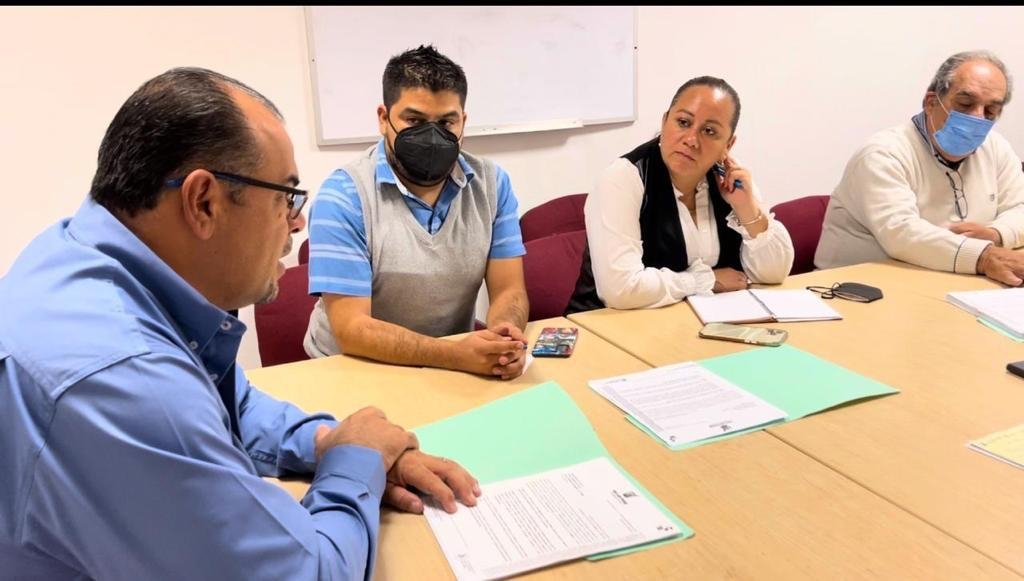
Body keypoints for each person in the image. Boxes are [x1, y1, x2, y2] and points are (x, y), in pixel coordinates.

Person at [0, 67, 481, 580]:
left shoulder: (83, 253)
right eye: (286, 196)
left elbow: (226, 402)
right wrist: (356, 462)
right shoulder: (124, 380)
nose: (297, 222)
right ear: (202, 201)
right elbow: (309, 574)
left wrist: (324, 443)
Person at [303, 45, 529, 380]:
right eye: (414, 120)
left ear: (463, 122)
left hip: (452, 368)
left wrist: (504, 335)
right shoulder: (343, 196)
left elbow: (510, 289)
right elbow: (352, 329)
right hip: (353, 368)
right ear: (383, 119)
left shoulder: (493, 185)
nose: (432, 135)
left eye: (446, 122)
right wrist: (454, 354)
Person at [568, 76, 794, 312]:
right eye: (683, 122)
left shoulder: (730, 180)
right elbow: (621, 290)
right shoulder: (623, 178)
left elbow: (774, 273)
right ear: (665, 121)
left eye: (709, 131)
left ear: (728, 144)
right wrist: (707, 280)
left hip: (695, 325)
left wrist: (747, 208)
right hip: (606, 329)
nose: (691, 140)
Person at [815, 50, 1024, 285]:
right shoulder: (883, 154)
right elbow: (902, 233)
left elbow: (1019, 207)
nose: (977, 117)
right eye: (966, 104)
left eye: (990, 111)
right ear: (931, 102)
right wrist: (983, 256)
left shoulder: (996, 148)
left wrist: (997, 234)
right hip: (858, 290)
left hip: (950, 284)